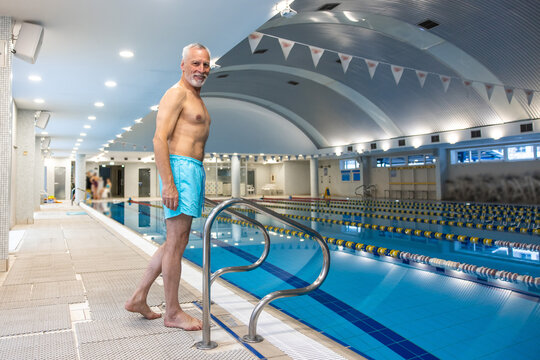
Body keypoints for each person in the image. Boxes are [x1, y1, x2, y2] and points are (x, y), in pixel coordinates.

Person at [125, 43, 211, 331]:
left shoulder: (195, 97)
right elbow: (159, 139)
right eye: (195, 63)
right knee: (176, 243)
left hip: (192, 171)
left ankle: (139, 296)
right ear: (183, 65)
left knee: (174, 242)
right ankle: (172, 313)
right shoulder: (177, 93)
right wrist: (170, 184)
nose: (201, 69)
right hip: (181, 170)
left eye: (205, 64)